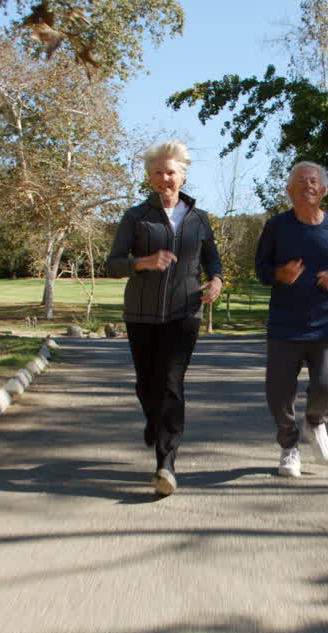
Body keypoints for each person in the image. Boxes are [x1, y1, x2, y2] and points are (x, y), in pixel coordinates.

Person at [106, 140, 223, 496]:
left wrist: (216, 280)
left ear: (182, 174)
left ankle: (165, 464)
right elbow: (113, 264)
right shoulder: (135, 217)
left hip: (184, 313)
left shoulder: (199, 218)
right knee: (146, 384)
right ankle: (155, 422)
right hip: (141, 314)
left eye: (170, 172)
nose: (164, 178)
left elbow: (212, 260)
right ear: (149, 177)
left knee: (171, 383)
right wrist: (142, 263)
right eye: (157, 172)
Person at [254, 161, 328, 478]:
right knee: (278, 393)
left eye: (313, 181)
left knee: (326, 385)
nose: (307, 185)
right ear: (289, 190)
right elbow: (260, 269)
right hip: (285, 325)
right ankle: (289, 447)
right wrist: (279, 274)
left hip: (327, 324)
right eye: (300, 181)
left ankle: (315, 423)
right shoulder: (277, 227)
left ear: (323, 190)